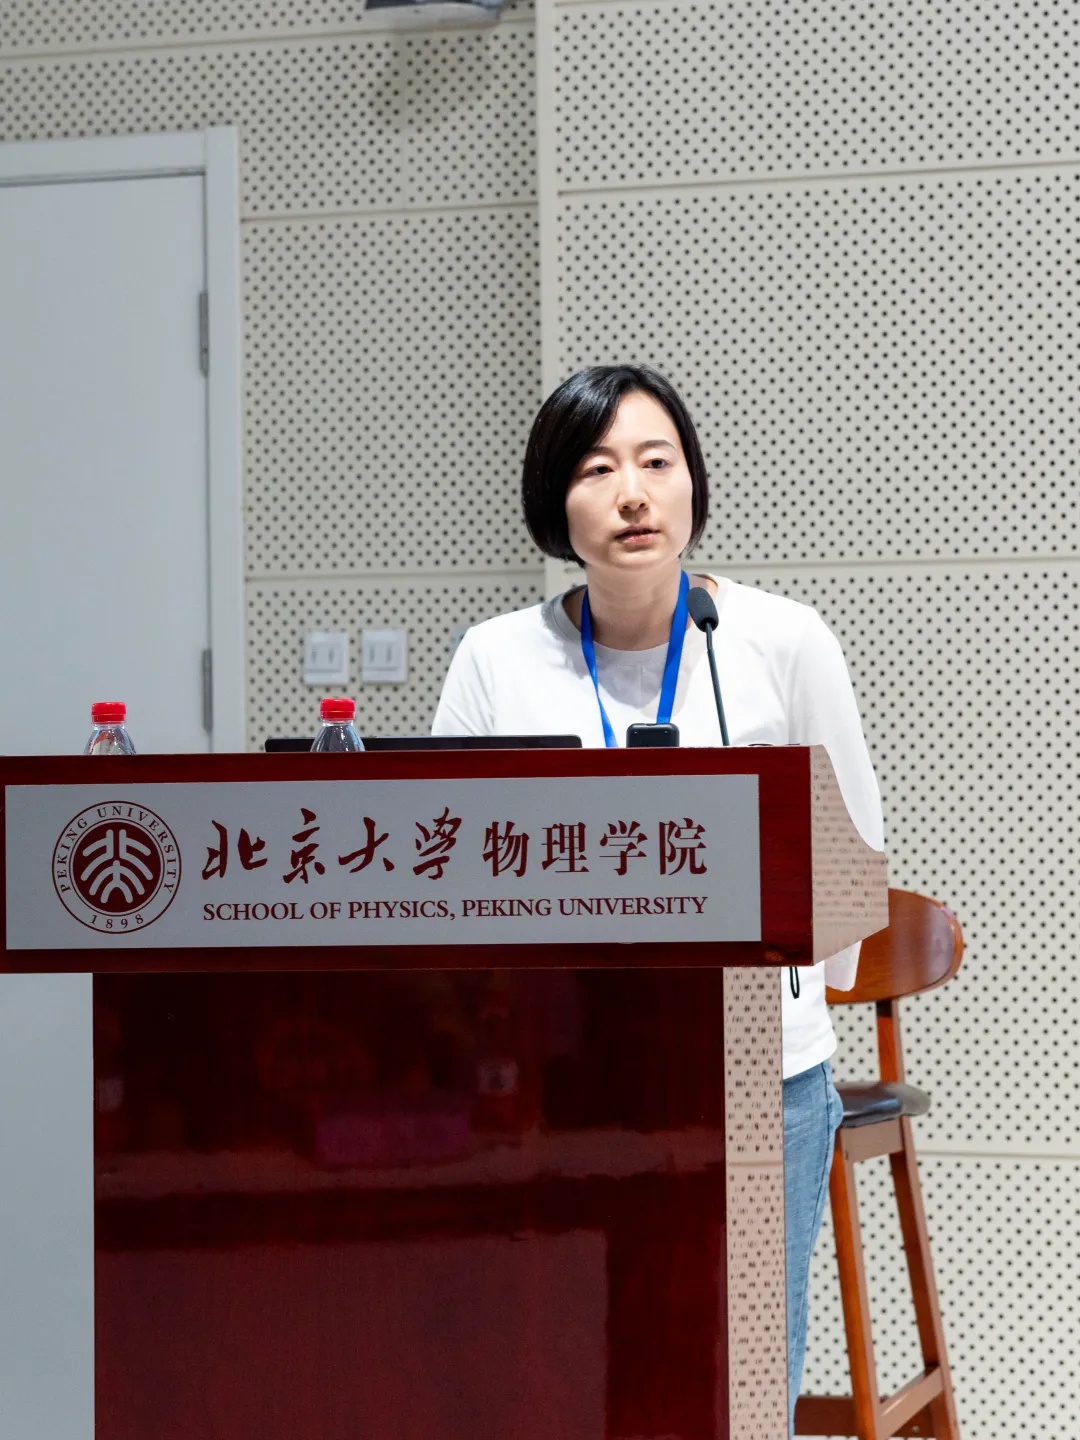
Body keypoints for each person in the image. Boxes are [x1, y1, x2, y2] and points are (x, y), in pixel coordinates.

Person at [432, 364, 884, 1433]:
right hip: (565, 1070)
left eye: (655, 461)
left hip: (754, 1071)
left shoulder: (781, 642)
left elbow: (851, 873)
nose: (632, 493)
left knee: (739, 1379)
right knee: (567, 1367)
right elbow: (444, 881)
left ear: (691, 484)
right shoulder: (496, 658)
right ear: (556, 501)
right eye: (597, 469)